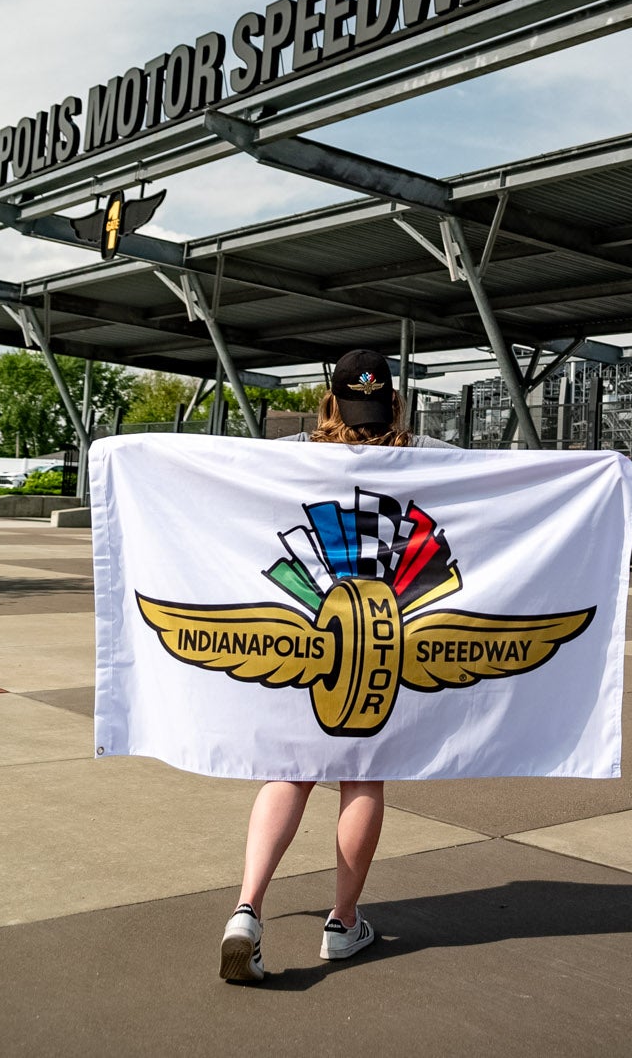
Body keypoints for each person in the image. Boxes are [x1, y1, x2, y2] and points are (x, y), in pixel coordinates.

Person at [219, 348, 450, 984]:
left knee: (287, 770)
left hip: (314, 631)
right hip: (386, 638)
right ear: (394, 404)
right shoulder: (427, 456)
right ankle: (342, 922)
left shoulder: (289, 457)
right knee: (363, 777)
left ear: (329, 401)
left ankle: (247, 909)